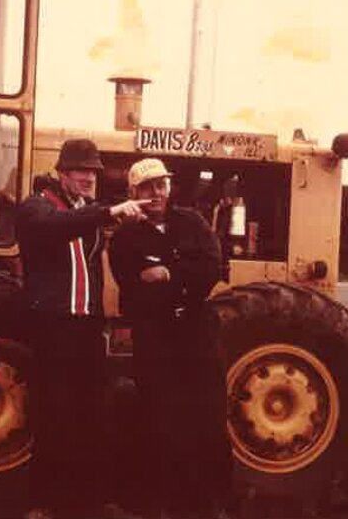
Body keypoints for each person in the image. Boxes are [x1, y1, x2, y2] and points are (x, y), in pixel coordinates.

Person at [16, 139, 149, 519]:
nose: (89, 178)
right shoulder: (37, 207)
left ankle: (90, 501)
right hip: (53, 325)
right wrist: (108, 212)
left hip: (86, 326)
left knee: (91, 413)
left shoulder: (87, 212)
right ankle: (44, 503)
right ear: (61, 173)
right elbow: (52, 227)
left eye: (93, 172)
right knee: (54, 413)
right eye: (80, 171)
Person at [108, 158, 232, 519]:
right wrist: (185, 278)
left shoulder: (192, 221)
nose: (156, 193)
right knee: (160, 418)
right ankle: (160, 504)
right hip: (156, 337)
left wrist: (167, 273)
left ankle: (210, 505)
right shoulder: (125, 238)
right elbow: (133, 288)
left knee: (208, 416)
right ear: (133, 193)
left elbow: (212, 268)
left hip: (197, 333)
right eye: (147, 187)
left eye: (161, 185)